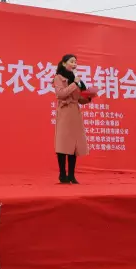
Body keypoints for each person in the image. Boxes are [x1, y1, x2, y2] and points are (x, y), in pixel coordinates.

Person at [53, 54, 94, 184]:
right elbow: (61, 94)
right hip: (65, 112)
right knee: (63, 143)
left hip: (75, 113)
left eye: (75, 62)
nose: (74, 64)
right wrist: (74, 83)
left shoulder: (75, 79)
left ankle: (71, 175)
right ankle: (62, 174)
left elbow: (79, 99)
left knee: (74, 145)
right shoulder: (58, 78)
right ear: (64, 63)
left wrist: (89, 97)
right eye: (71, 61)